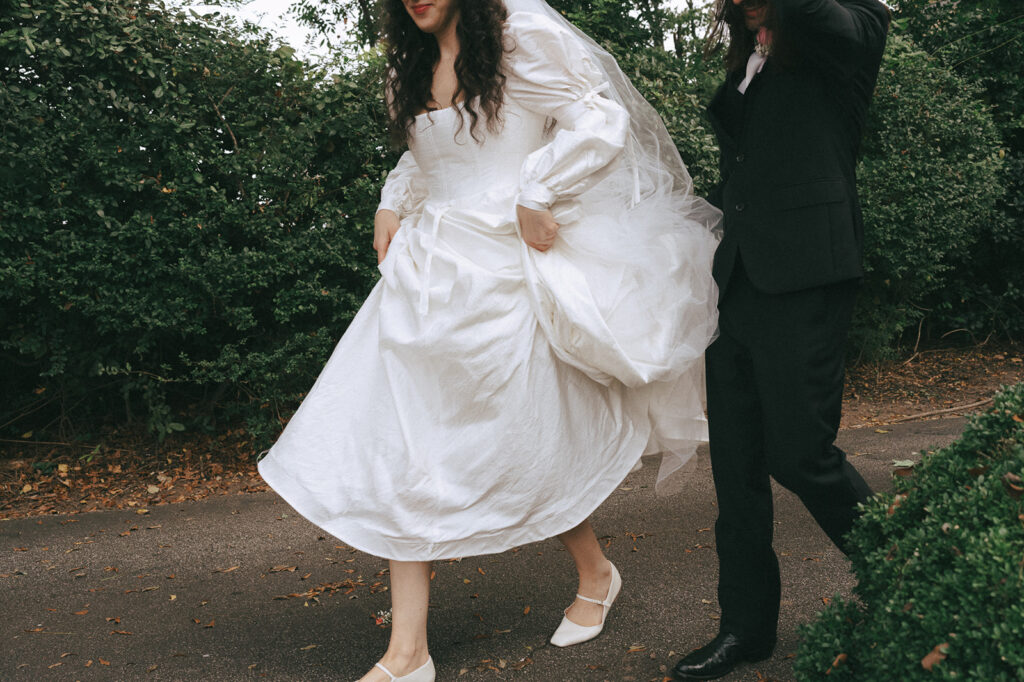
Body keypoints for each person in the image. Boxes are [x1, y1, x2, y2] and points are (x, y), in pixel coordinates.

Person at [256, 1, 721, 680]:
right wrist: (393, 199)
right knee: (403, 448)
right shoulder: (408, 66)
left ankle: (596, 572)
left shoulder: (518, 40)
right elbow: (428, 160)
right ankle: (407, 653)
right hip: (423, 279)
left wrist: (537, 190)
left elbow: (599, 118)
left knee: (522, 446)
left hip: (505, 273)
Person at [670, 0, 890, 680]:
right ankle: (745, 629)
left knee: (801, 454)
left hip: (807, 275)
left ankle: (906, 572)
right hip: (739, 282)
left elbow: (835, 22)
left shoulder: (849, 28)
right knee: (735, 469)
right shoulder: (751, 59)